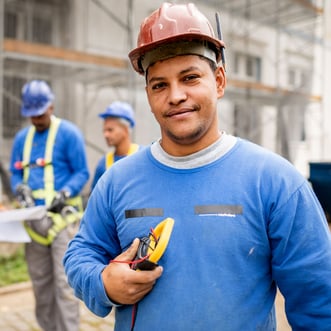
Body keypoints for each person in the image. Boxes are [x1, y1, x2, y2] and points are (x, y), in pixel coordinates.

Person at [63, 3, 331, 331]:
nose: (175, 95)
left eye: (189, 78)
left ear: (218, 81)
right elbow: (81, 253)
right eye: (159, 84)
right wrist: (102, 282)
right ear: (148, 95)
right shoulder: (117, 180)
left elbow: (320, 303)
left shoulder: (276, 182)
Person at [10, 79, 89, 331]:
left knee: (65, 286)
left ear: (51, 107)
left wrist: (65, 192)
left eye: (40, 113)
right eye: (31, 115)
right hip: (33, 223)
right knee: (41, 286)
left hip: (61, 222)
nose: (36, 119)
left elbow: (82, 171)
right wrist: (19, 188)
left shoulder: (69, 134)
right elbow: (15, 173)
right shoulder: (22, 139)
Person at [91, 101, 142, 191]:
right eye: (104, 130)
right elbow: (94, 199)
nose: (105, 135)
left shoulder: (143, 157)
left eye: (110, 130)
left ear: (125, 130)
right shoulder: (103, 164)